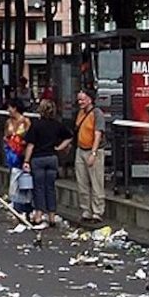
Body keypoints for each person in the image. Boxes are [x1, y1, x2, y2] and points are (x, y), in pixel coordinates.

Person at [22, 99, 71, 228]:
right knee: (50, 187)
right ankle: (52, 216)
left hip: (38, 158)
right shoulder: (57, 124)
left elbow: (30, 145)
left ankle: (38, 215)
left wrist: (26, 161)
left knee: (38, 188)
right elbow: (69, 136)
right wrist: (59, 147)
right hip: (52, 157)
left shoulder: (36, 125)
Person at [74, 88, 106, 223]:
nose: (80, 102)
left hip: (93, 150)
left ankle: (97, 212)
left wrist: (93, 152)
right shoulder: (80, 113)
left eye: (82, 99)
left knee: (96, 181)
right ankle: (86, 210)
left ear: (90, 100)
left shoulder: (97, 113)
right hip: (81, 149)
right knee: (82, 182)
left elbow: (98, 134)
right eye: (79, 99)